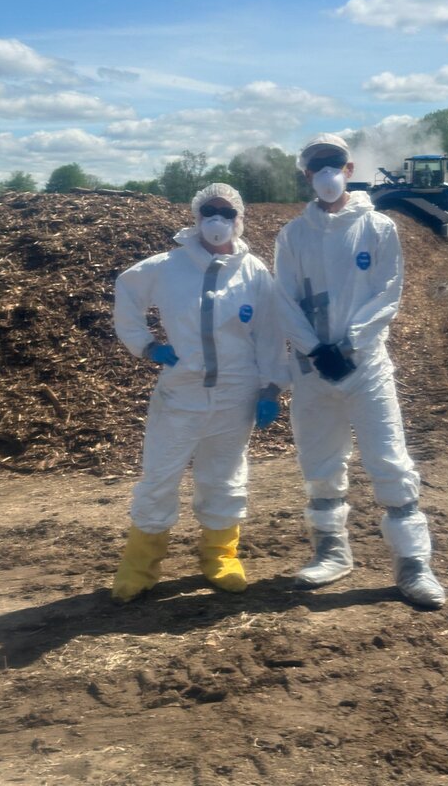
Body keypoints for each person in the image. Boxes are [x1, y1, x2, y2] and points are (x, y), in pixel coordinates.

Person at [274, 134, 446, 609]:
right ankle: (331, 551)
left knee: (389, 460)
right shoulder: (293, 235)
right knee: (320, 462)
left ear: (349, 169)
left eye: (334, 164)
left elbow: (387, 294)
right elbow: (284, 299)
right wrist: (314, 349)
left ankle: (413, 564)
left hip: (365, 367)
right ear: (306, 174)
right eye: (316, 166)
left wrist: (348, 344)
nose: (326, 173)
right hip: (313, 371)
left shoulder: (378, 228)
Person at [112, 183, 288, 603]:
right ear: (195, 216)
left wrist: (271, 386)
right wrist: (147, 345)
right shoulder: (169, 266)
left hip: (236, 393)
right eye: (209, 210)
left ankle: (220, 555)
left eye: (226, 212)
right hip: (182, 392)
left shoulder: (253, 271)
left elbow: (268, 332)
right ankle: (140, 565)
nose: (217, 219)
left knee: (224, 477)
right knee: (159, 476)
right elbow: (126, 290)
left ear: (240, 219)